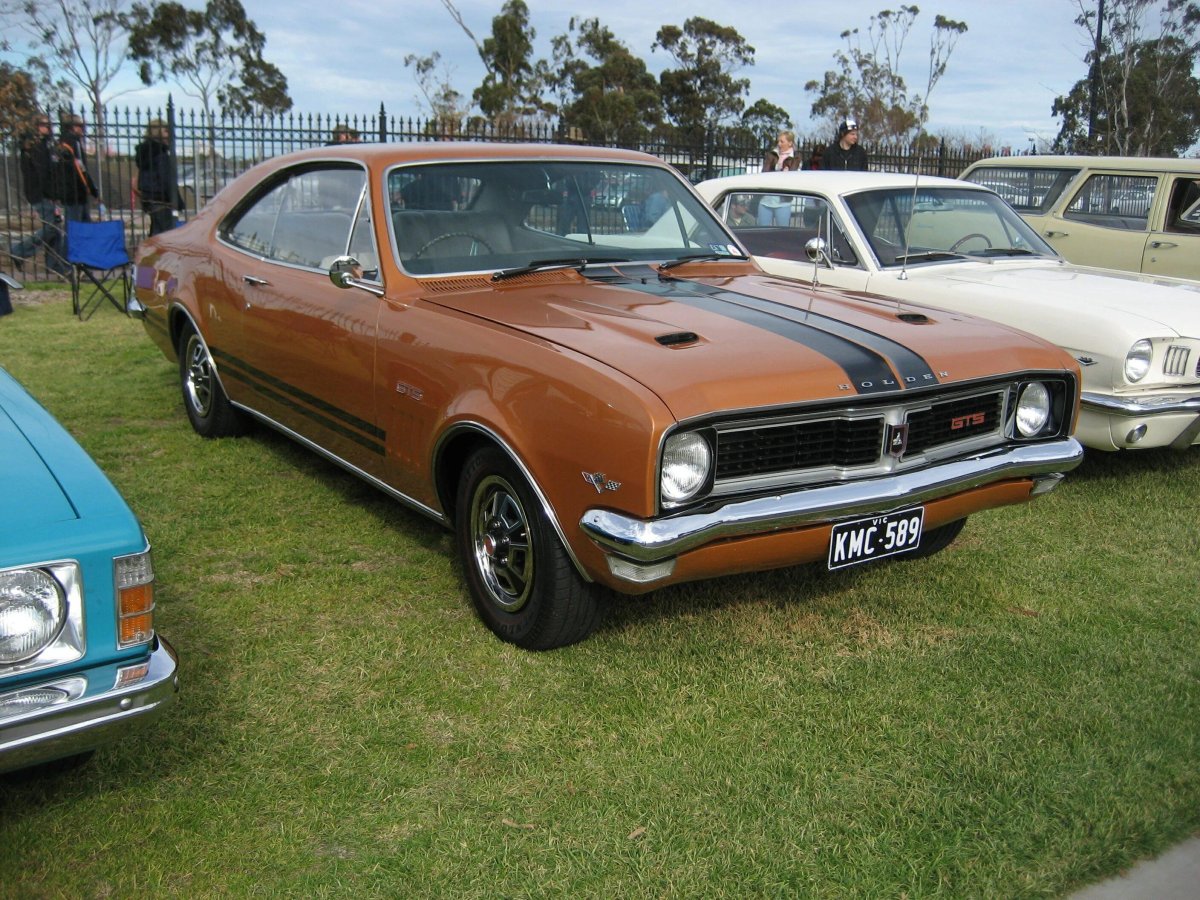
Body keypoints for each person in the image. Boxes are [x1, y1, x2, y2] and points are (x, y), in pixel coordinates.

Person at [8, 113, 66, 275]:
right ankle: (19, 250)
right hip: (41, 193)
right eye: (45, 125)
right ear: (36, 127)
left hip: (45, 193)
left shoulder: (45, 146)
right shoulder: (36, 148)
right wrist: (52, 194)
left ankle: (53, 265)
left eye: (50, 125)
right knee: (51, 228)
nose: (49, 128)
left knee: (55, 228)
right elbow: (43, 174)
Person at [134, 119, 182, 236]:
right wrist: (178, 201)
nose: (170, 135)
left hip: (150, 198)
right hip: (161, 200)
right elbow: (166, 180)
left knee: (156, 231)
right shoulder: (160, 154)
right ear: (159, 132)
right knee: (165, 234)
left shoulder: (146, 153)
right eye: (166, 131)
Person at [55, 113, 101, 224]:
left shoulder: (60, 143)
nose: (83, 130)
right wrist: (93, 190)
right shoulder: (73, 143)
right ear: (74, 127)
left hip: (68, 191)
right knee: (77, 227)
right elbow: (80, 169)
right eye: (81, 127)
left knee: (78, 225)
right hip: (76, 192)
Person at [758, 131, 798, 226]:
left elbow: (792, 175)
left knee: (782, 232)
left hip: (783, 201)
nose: (779, 144)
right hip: (766, 199)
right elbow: (764, 172)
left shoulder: (795, 157)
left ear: (790, 143)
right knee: (761, 231)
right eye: (778, 141)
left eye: (782, 141)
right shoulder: (773, 154)